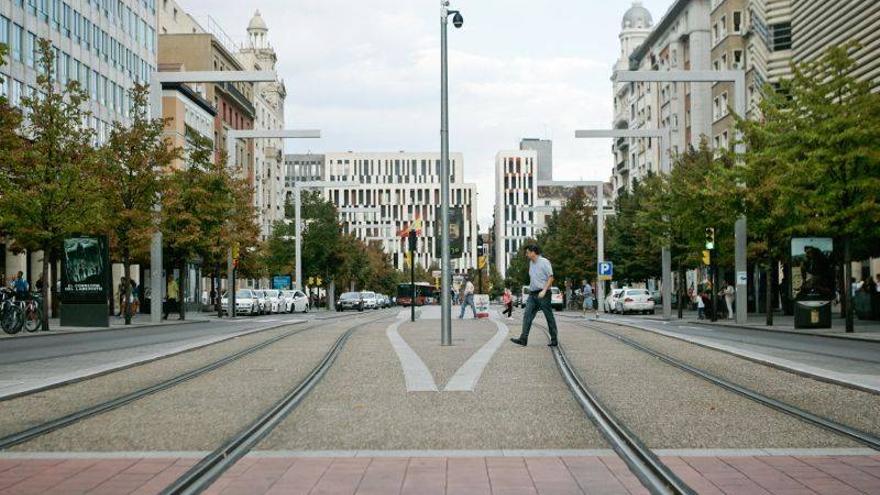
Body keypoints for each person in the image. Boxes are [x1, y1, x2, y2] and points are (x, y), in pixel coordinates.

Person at [510, 244, 559, 347]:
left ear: (533, 252)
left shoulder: (544, 262)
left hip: (543, 294)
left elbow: (551, 278)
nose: (526, 254)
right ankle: (523, 339)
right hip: (532, 294)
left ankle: (554, 339)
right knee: (527, 315)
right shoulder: (531, 263)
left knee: (548, 316)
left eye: (527, 252)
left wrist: (544, 290)